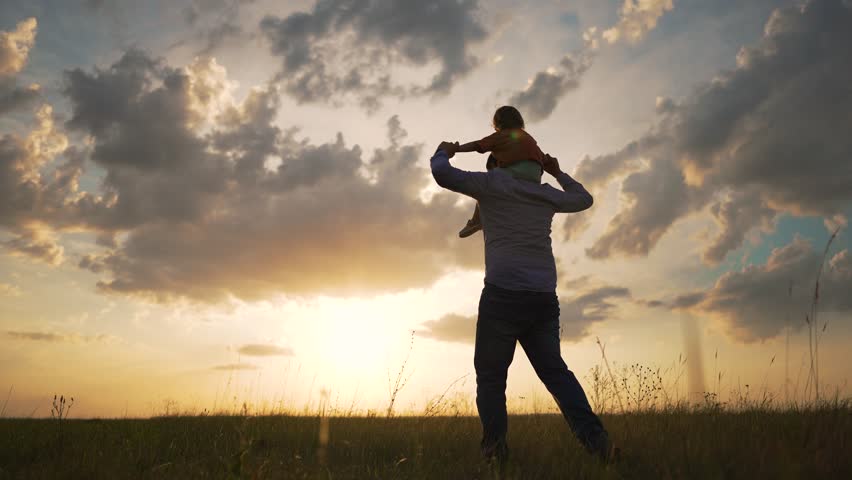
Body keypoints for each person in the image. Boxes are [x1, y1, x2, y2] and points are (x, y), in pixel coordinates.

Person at [430, 140, 613, 465]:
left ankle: (495, 457)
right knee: (556, 374)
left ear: (500, 161)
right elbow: (583, 199)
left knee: (491, 378)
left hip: (502, 296)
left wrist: (444, 150)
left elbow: (442, 173)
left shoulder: (491, 184)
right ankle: (600, 446)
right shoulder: (543, 192)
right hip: (542, 298)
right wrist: (558, 173)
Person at [453, 106, 553, 238]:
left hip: (516, 173)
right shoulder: (528, 138)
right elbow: (545, 160)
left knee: (486, 183)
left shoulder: (501, 135)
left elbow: (477, 145)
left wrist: (456, 149)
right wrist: (557, 172)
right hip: (535, 177)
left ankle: (476, 220)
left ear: (498, 124)